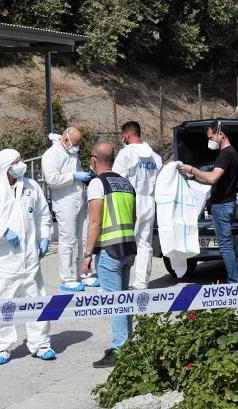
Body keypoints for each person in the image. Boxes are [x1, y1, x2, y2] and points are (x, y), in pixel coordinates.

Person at [0, 148, 56, 365]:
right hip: (4, 263)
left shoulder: (32, 187)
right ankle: (1, 347)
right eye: (18, 161)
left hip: (30, 260)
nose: (22, 164)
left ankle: (41, 343)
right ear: (7, 166)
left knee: (37, 301)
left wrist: (45, 237)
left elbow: (43, 215)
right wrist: (2, 232)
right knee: (1, 303)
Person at [81, 143, 136, 368]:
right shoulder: (126, 183)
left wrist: (87, 254)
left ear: (94, 160)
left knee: (114, 302)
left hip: (110, 250)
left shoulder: (97, 183)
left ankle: (120, 349)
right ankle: (128, 343)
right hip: (128, 247)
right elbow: (133, 217)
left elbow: (95, 220)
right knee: (124, 300)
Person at [178, 121, 238, 283]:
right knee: (228, 245)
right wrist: (194, 177)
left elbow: (213, 177)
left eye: (212, 137)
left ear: (221, 134)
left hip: (222, 206)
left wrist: (192, 169)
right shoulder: (228, 154)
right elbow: (211, 181)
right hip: (224, 205)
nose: (211, 141)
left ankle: (234, 283)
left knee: (225, 246)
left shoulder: (226, 154)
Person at [41, 127, 99, 292]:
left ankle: (85, 273)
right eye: (74, 144)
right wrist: (74, 176)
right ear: (66, 140)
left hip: (79, 199)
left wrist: (84, 177)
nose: (76, 148)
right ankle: (67, 278)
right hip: (64, 202)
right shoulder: (51, 155)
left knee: (85, 237)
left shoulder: (71, 152)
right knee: (67, 240)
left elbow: (76, 171)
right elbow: (51, 179)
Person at [112, 121, 163, 290]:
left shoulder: (125, 154)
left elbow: (117, 181)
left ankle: (119, 282)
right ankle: (141, 283)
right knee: (144, 244)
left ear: (127, 135)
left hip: (130, 203)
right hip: (149, 203)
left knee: (124, 242)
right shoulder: (156, 158)